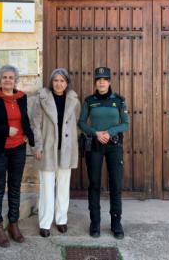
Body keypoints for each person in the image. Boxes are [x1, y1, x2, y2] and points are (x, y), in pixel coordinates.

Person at [0, 65, 35, 248]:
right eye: (4, 77)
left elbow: (24, 119)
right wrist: (5, 130)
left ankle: (13, 223)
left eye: (11, 77)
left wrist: (29, 136)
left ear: (16, 80)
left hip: (18, 148)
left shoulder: (21, 98)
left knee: (15, 187)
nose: (8, 80)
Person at [78, 66, 129, 239]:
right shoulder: (89, 101)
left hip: (114, 146)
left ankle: (116, 223)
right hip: (94, 145)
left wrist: (110, 132)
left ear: (109, 81)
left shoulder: (119, 101)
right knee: (94, 184)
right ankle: (95, 223)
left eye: (104, 79)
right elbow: (82, 123)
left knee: (115, 184)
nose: (101, 82)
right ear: (95, 82)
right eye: (98, 79)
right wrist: (96, 133)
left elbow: (126, 124)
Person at [31, 68, 81, 237]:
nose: (59, 84)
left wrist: (72, 143)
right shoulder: (42, 99)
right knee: (47, 187)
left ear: (67, 83)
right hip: (47, 149)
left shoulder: (74, 100)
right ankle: (45, 223)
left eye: (62, 81)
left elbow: (77, 124)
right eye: (55, 80)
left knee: (63, 187)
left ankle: (61, 219)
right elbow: (35, 125)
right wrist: (37, 146)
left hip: (66, 150)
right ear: (51, 82)